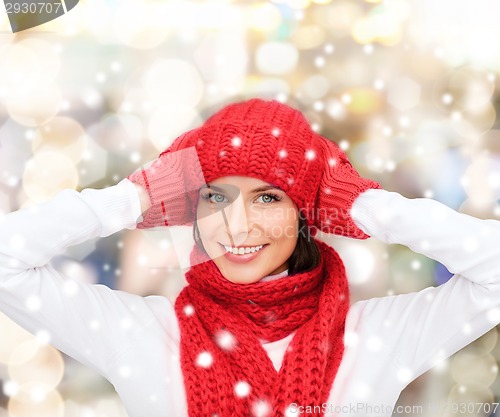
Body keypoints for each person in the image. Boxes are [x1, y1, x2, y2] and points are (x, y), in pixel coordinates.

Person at [0, 98, 499, 417]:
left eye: (268, 197)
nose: (237, 226)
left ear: (308, 211)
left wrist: (365, 203)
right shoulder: (138, 331)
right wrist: (134, 198)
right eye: (214, 197)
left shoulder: (379, 334)